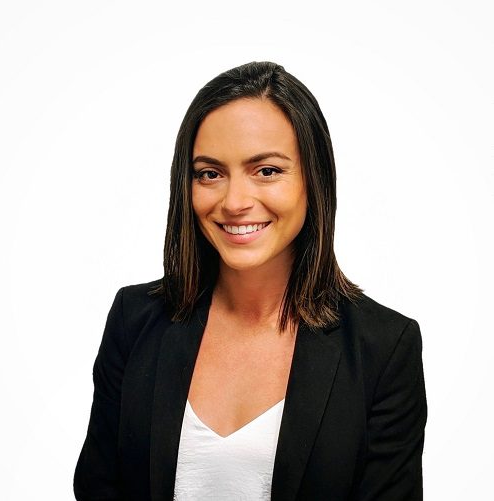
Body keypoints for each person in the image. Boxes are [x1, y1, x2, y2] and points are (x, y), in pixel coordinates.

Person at [74, 61, 427, 500]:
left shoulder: (383, 348)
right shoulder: (135, 320)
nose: (235, 202)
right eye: (210, 173)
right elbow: (97, 489)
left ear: (313, 180)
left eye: (267, 171)